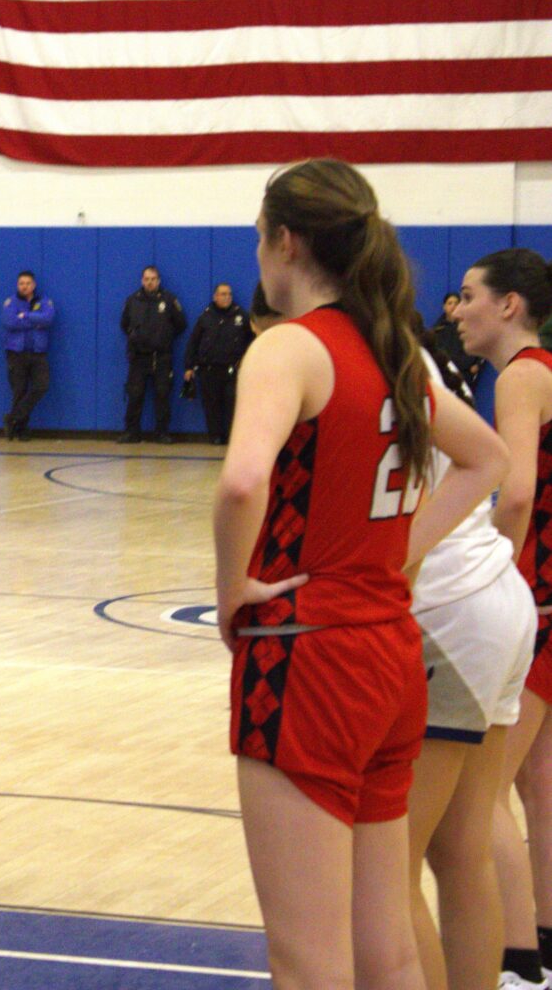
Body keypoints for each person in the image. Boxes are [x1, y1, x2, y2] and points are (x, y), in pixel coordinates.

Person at [214, 158, 509, 990]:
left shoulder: (289, 349)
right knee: (389, 949)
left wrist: (230, 587)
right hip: (390, 655)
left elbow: (241, 482)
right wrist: (393, 553)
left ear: (284, 240)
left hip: (309, 658)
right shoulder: (394, 351)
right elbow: (484, 458)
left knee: (308, 959)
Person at [406, 326, 536, 990]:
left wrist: (392, 561)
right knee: (462, 849)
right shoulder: (412, 354)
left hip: (449, 607)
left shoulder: (351, 357)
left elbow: (502, 476)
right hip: (497, 596)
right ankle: (517, 967)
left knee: (388, 866)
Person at [450, 250, 552, 990]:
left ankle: (517, 965)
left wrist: (497, 574)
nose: (455, 311)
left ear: (508, 305)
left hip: (537, 600)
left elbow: (514, 493)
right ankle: (542, 943)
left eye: (466, 297)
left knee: (476, 794)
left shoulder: (520, 376)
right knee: (540, 785)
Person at [118, 266, 186, 444]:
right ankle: (132, 433)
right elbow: (124, 324)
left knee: (162, 395)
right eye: (147, 279)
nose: (150, 282)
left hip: (161, 357)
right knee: (135, 395)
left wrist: (164, 337)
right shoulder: (133, 300)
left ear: (159, 280)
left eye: (153, 279)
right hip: (139, 357)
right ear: (142, 280)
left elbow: (181, 324)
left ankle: (162, 433)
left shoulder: (169, 300)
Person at [183, 282, 252, 444]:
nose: (227, 297)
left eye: (229, 294)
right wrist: (188, 366)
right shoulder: (206, 316)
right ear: (215, 297)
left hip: (232, 369)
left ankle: (230, 436)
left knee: (231, 404)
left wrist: (245, 359)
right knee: (211, 405)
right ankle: (215, 436)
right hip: (209, 369)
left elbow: (252, 339)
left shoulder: (241, 315)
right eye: (223, 294)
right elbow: (193, 342)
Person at [1, 270, 55, 441]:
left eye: (27, 283)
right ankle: (20, 429)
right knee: (19, 391)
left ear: (34, 285)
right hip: (16, 353)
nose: (24, 286)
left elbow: (48, 319)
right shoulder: (11, 302)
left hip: (38, 352)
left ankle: (12, 418)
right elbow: (10, 322)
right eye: (21, 283)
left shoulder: (44, 301)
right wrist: (34, 321)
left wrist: (26, 316)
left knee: (41, 386)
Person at [432, 292, 482, 390]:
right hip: (445, 375)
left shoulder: (469, 325)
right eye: (449, 303)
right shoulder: (437, 329)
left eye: (456, 303)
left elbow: (481, 344)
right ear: (444, 307)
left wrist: (478, 364)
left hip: (465, 374)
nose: (453, 306)